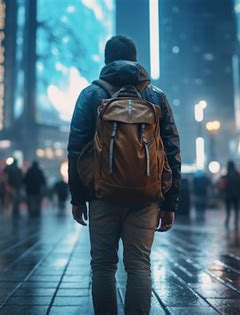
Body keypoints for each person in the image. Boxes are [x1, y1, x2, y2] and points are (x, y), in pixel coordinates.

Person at [67, 35, 181, 315]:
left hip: (102, 193)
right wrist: (170, 203)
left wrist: (78, 197)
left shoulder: (90, 95)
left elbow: (76, 149)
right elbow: (172, 149)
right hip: (146, 194)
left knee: (104, 265)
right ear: (135, 58)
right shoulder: (155, 96)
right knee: (139, 265)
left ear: (106, 61)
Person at [222, 161, 240, 227]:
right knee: (236, 208)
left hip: (229, 194)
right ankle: (236, 220)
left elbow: (224, 185)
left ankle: (228, 218)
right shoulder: (237, 174)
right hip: (236, 194)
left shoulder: (227, 175)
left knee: (228, 208)